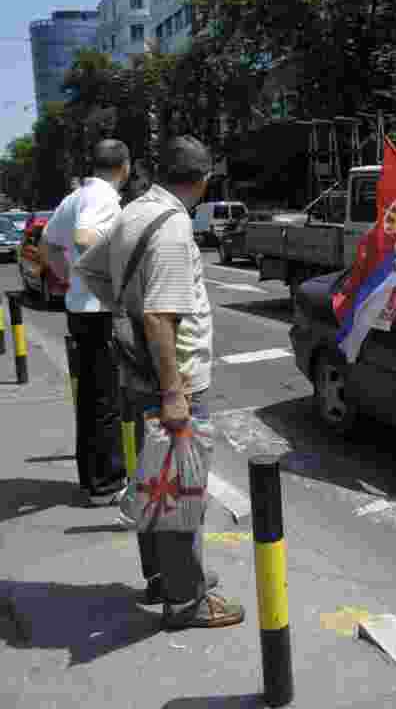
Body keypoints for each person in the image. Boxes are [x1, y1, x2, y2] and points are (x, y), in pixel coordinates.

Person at [77, 136, 245, 629]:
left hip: (136, 372)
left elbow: (87, 266)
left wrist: (123, 308)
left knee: (155, 483)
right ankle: (186, 600)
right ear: (204, 179)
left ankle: (163, 578)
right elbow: (158, 319)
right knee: (179, 490)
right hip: (174, 381)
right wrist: (175, 394)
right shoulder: (172, 229)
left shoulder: (133, 212)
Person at [41, 140, 130, 506]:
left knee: (92, 399)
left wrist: (69, 280)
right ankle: (106, 485)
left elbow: (48, 245)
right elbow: (83, 237)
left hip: (80, 309)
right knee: (106, 399)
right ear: (124, 167)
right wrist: (101, 282)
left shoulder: (75, 197)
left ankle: (93, 480)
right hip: (99, 312)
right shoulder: (104, 199)